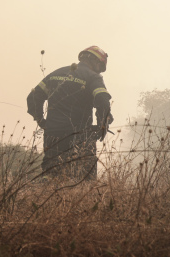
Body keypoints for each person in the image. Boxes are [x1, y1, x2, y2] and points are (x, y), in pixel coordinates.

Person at [27, 46, 113, 179]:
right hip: (80, 136)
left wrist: (41, 120)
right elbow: (102, 100)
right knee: (84, 179)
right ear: (94, 61)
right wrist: (103, 124)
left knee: (51, 175)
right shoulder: (93, 77)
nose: (100, 71)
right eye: (100, 66)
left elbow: (33, 97)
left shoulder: (57, 73)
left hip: (52, 135)